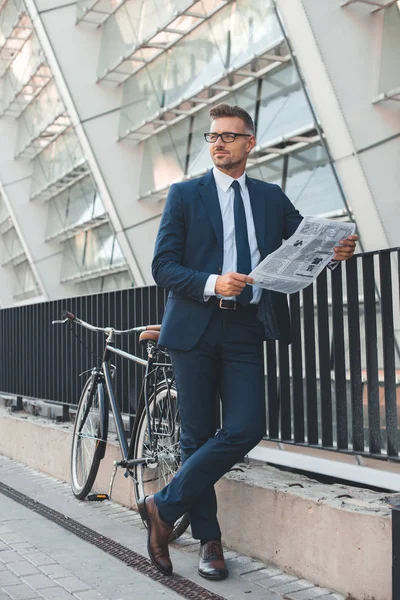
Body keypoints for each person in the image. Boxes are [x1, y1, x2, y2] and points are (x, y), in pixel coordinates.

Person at [138, 103, 358, 580]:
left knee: (246, 427)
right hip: (194, 327)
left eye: (229, 137)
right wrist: (213, 282)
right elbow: (163, 267)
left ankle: (161, 505)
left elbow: (307, 246)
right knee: (195, 435)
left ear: (249, 143)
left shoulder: (270, 197)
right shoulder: (184, 195)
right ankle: (209, 542)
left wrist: (337, 253)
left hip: (246, 327)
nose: (218, 144)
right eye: (212, 137)